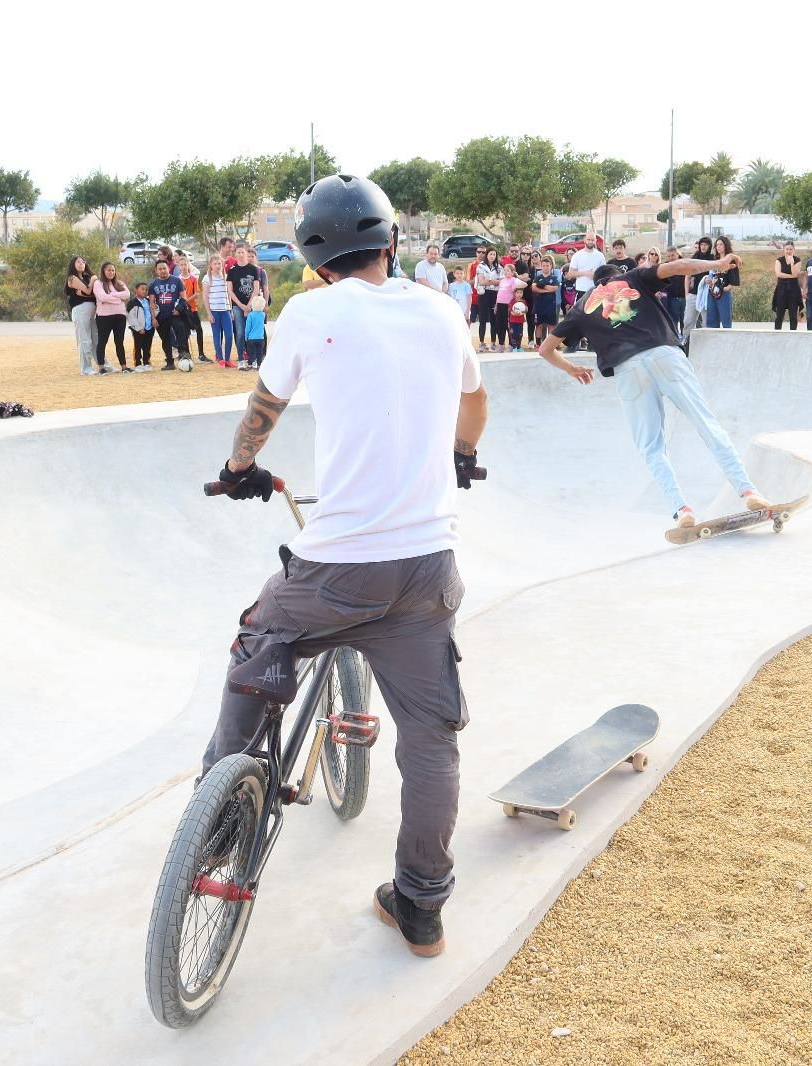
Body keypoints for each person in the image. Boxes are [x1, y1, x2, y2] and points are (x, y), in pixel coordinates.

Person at [200, 174, 487, 958]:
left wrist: (238, 470)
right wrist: (463, 458)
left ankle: (216, 817)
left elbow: (263, 409)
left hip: (335, 572)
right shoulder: (442, 307)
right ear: (391, 242)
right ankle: (422, 904)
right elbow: (475, 399)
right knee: (431, 740)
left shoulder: (309, 311)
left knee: (261, 638)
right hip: (427, 568)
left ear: (316, 258)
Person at [538, 253, 771, 527]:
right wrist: (717, 266)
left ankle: (681, 509)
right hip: (665, 355)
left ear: (596, 284)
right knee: (705, 422)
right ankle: (747, 489)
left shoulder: (581, 306)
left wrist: (571, 368)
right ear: (616, 275)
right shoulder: (633, 277)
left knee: (651, 447)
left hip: (628, 370)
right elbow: (679, 266)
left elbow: (545, 349)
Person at [148, 258, 189, 367]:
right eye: (160, 269)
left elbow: (184, 298)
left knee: (181, 332)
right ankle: (169, 362)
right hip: (161, 316)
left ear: (168, 268)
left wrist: (178, 309)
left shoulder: (177, 281)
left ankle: (184, 354)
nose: (162, 271)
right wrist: (153, 318)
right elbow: (151, 303)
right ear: (156, 270)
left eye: (164, 268)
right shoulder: (153, 284)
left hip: (175, 314)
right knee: (165, 340)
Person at [228, 244, 262, 368]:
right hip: (237, 306)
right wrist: (241, 306)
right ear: (235, 254)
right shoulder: (232, 270)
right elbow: (230, 291)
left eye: (243, 252)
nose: (240, 254)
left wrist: (249, 305)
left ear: (246, 254)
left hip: (251, 306)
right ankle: (241, 359)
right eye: (238, 252)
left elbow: (256, 288)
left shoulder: (253, 269)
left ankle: (252, 360)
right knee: (240, 333)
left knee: (251, 334)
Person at [91, 261, 129, 374]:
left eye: (113, 270)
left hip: (120, 317)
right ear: (103, 271)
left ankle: (124, 367)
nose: (111, 272)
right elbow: (102, 297)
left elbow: (127, 295)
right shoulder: (98, 283)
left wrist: (112, 295)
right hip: (104, 317)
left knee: (119, 342)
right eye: (109, 270)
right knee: (102, 341)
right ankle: (101, 367)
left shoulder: (119, 283)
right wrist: (118, 299)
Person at [66, 256, 99, 375]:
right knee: (84, 339)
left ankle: (102, 363)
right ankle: (86, 368)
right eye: (78, 262)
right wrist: (93, 279)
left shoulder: (86, 277)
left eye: (83, 262)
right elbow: (88, 291)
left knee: (96, 338)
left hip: (93, 309)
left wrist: (91, 281)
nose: (81, 263)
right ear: (73, 265)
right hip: (80, 309)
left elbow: (91, 293)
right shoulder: (72, 278)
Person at [566, 234, 607, 322]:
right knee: (579, 318)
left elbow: (605, 273)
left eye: (592, 240)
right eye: (588, 239)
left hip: (596, 291)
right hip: (581, 291)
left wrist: (595, 275)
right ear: (585, 240)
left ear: (595, 241)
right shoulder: (577, 255)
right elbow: (570, 274)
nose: (590, 241)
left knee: (596, 319)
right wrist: (585, 273)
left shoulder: (600, 256)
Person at [176, 253, 208, 363]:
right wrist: (183, 304)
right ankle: (186, 353)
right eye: (182, 265)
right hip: (183, 311)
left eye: (185, 264)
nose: (184, 267)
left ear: (188, 265)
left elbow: (196, 294)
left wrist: (186, 301)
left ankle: (201, 354)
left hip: (193, 308)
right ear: (179, 267)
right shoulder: (177, 280)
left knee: (199, 329)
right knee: (185, 332)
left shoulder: (193, 279)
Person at [203, 256, 235, 367]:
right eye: (215, 264)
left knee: (229, 335)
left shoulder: (226, 277)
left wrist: (230, 310)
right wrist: (209, 313)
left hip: (226, 310)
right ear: (211, 265)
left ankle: (227, 359)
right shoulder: (207, 278)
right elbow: (205, 296)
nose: (218, 266)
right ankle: (220, 359)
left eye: (219, 264)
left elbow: (229, 295)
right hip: (215, 311)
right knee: (217, 335)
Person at [703, 236, 739, 329]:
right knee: (711, 321)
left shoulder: (731, 260)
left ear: (725, 245)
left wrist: (727, 288)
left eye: (721, 244)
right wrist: (709, 281)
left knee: (726, 320)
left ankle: (728, 342)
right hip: (712, 293)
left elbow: (734, 278)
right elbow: (712, 275)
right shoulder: (714, 260)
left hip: (724, 293)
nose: (718, 247)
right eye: (717, 245)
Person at [682, 236, 715, 335]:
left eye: (706, 245)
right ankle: (685, 343)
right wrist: (687, 295)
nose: (703, 247)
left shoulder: (712, 258)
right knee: (688, 322)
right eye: (702, 244)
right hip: (693, 294)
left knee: (706, 323)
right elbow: (687, 277)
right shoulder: (694, 258)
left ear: (709, 246)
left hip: (707, 295)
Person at [473, 248, 502, 352]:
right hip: (484, 294)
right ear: (487, 255)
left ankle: (493, 343)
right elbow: (481, 282)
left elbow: (501, 282)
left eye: (494, 254)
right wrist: (494, 281)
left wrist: (489, 281)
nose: (492, 256)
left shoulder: (499, 267)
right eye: (490, 254)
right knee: (483, 320)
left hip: (495, 294)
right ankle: (481, 342)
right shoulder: (481, 266)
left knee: (494, 320)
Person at [770, 241, 802, 330]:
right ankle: (777, 334)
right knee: (779, 315)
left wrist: (792, 263)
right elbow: (779, 274)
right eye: (787, 249)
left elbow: (795, 274)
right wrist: (792, 276)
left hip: (793, 290)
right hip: (781, 290)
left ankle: (793, 334)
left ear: (794, 250)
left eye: (791, 249)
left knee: (793, 316)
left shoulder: (797, 260)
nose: (789, 251)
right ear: (784, 249)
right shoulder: (779, 260)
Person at [530, 253, 560, 345]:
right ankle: (538, 345)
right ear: (541, 266)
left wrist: (543, 286)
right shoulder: (537, 277)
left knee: (551, 325)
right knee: (538, 325)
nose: (545, 267)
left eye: (547, 265)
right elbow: (534, 288)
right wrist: (546, 290)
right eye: (543, 265)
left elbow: (554, 288)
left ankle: (550, 345)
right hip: (539, 305)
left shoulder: (554, 278)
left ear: (551, 266)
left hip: (550, 306)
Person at [126, 282, 156, 370]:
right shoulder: (132, 303)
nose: (145, 291)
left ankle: (146, 362)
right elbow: (131, 317)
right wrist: (138, 328)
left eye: (146, 289)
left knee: (147, 346)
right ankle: (138, 363)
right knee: (138, 346)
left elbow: (153, 311)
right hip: (138, 329)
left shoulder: (148, 301)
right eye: (142, 289)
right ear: (136, 290)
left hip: (149, 327)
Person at [494, 263, 523, 348]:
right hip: (500, 304)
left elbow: (525, 284)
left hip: (508, 305)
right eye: (505, 270)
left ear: (513, 272)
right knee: (500, 325)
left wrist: (514, 288)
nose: (505, 272)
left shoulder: (514, 280)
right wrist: (496, 305)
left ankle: (511, 344)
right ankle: (501, 344)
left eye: (508, 270)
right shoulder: (502, 281)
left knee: (509, 325)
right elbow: (499, 293)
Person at [242, 289, 267, 370]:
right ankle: (259, 366)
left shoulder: (251, 315)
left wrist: (246, 336)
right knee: (259, 353)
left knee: (251, 353)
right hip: (261, 338)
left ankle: (250, 365)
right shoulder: (263, 315)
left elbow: (247, 327)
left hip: (251, 339)